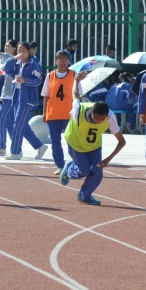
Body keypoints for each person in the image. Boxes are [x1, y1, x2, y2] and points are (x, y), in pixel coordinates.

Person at [59, 71, 127, 205]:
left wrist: (108, 159)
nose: (99, 122)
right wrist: (76, 81)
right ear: (92, 112)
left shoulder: (110, 117)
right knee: (83, 171)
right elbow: (75, 95)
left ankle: (84, 195)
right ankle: (69, 168)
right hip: (76, 143)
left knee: (97, 171)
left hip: (94, 145)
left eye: (102, 120)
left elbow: (121, 141)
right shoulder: (79, 111)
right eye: (97, 119)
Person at [6, 42, 48, 161]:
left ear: (29, 51)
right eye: (19, 50)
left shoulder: (33, 64)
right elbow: (6, 69)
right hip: (17, 97)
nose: (21, 53)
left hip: (27, 99)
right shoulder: (17, 63)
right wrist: (14, 58)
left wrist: (25, 80)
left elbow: (38, 80)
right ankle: (40, 146)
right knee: (22, 126)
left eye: (24, 50)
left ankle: (15, 152)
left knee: (18, 125)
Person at [42, 50, 75, 174]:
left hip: (69, 114)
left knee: (71, 140)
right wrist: (45, 113)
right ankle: (60, 166)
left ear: (68, 61)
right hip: (53, 114)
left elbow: (78, 94)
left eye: (65, 60)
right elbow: (46, 95)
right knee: (55, 142)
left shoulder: (73, 75)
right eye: (60, 59)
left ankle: (75, 163)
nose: (63, 62)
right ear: (56, 61)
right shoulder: (50, 75)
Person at [0, 39, 20, 155]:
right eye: (5, 46)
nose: (5, 48)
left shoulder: (14, 60)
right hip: (5, 94)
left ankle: (1, 147)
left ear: (15, 49)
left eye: (8, 46)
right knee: (10, 124)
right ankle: (18, 149)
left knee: (0, 120)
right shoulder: (7, 61)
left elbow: (5, 56)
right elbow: (4, 76)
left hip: (11, 96)